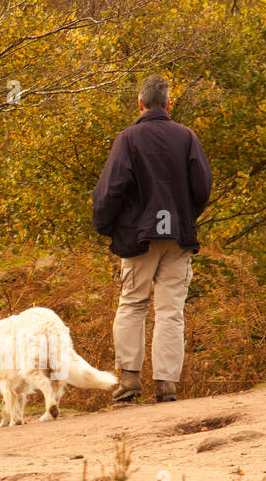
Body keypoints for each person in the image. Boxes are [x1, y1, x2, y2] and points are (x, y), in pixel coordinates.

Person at [91, 74, 213, 403]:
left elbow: (110, 190)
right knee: (171, 311)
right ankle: (166, 384)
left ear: (140, 104)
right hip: (178, 236)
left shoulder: (128, 139)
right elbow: (202, 187)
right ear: (169, 104)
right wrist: (185, 216)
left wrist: (105, 225)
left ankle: (129, 379)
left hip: (137, 237)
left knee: (132, 304)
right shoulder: (187, 137)